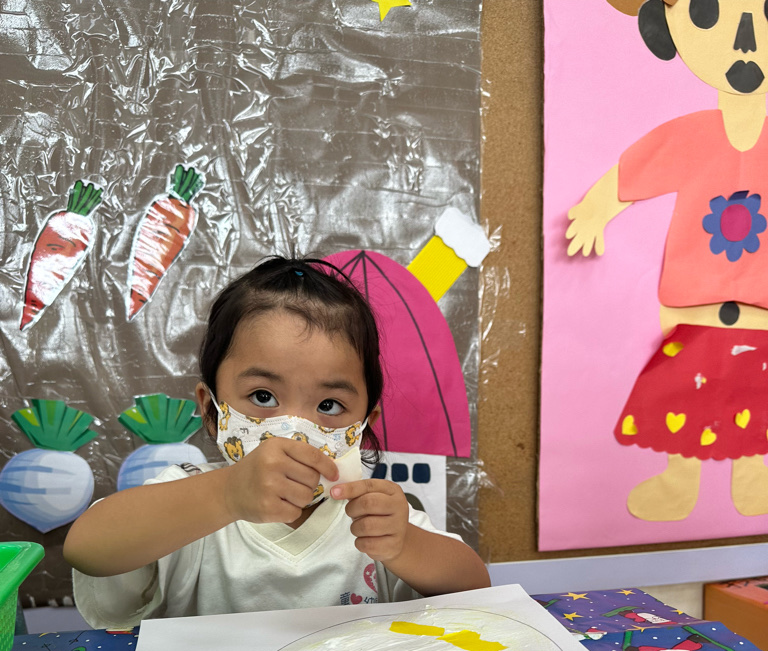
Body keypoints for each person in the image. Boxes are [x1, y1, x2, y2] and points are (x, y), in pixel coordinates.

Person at [64, 256, 490, 628]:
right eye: (263, 397)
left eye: (328, 404)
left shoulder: (372, 517)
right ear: (211, 410)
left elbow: (475, 589)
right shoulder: (186, 501)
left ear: (363, 425)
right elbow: (87, 549)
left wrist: (406, 545)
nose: (295, 430)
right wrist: (226, 496)